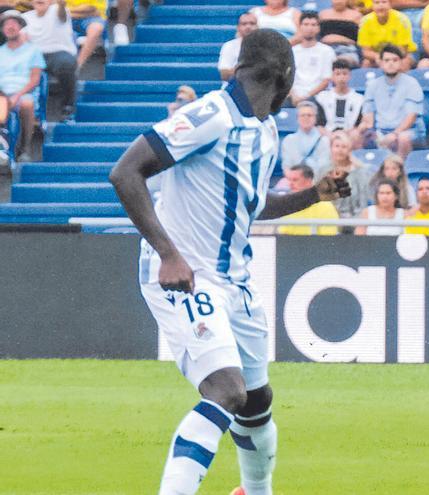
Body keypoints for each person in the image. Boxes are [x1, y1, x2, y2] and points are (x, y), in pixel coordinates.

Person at [108, 29, 351, 495]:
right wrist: (169, 254)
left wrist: (314, 195)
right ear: (284, 75)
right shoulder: (208, 115)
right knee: (226, 390)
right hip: (184, 276)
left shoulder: (265, 129)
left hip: (234, 281)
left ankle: (256, 492)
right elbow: (125, 171)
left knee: (256, 403)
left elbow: (251, 205)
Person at [358, 45, 425, 158]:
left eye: (395, 60)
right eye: (387, 60)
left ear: (401, 62)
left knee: (403, 138)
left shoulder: (411, 84)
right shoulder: (373, 85)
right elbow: (368, 114)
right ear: (381, 63)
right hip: (381, 130)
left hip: (409, 131)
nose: (390, 63)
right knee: (356, 135)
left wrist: (395, 133)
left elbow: (411, 117)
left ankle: (400, 172)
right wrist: (369, 129)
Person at [0, 11, 45, 162]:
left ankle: (25, 148)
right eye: (6, 24)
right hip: (2, 95)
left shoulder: (33, 50)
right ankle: (4, 149)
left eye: (13, 23)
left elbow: (35, 79)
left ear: (20, 26)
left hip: (23, 93)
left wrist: (17, 95)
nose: (10, 27)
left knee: (27, 103)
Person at [22, 0, 77, 119]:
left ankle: (68, 106)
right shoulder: (24, 18)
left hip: (58, 53)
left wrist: (61, 4)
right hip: (34, 55)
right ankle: (33, 112)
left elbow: (61, 11)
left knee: (65, 64)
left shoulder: (59, 10)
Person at [317, 131, 372, 219]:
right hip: (327, 218)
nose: (340, 150)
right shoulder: (323, 171)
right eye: (337, 146)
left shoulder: (359, 172)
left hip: (354, 218)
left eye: (344, 147)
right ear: (331, 148)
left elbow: (363, 201)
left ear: (349, 150)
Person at [276, 165, 341, 235]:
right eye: (289, 180)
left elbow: (328, 239)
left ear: (308, 181)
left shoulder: (325, 206)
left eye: (295, 180)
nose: (290, 184)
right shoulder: (287, 205)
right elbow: (283, 234)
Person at [290, 12, 336, 106]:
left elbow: (326, 80)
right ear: (300, 27)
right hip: (294, 95)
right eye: (306, 24)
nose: (309, 28)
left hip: (319, 96)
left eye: (313, 25)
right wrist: (293, 96)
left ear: (318, 28)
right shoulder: (292, 51)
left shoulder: (327, 51)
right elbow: (287, 79)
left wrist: (306, 96)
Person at [315, 59, 364, 144]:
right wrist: (330, 135)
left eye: (345, 74)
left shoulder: (359, 99)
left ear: (350, 76)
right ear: (332, 76)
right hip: (326, 136)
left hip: (350, 136)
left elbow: (359, 124)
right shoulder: (322, 97)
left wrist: (347, 134)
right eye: (338, 74)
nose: (341, 77)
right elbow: (319, 125)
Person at [357, 0, 417, 68]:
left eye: (384, 2)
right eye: (377, 3)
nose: (380, 5)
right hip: (377, 55)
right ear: (372, 5)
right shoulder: (365, 21)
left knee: (404, 62)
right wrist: (380, 57)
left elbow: (403, 50)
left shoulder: (402, 19)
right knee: (366, 63)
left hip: (402, 54)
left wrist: (388, 59)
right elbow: (366, 51)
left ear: (390, 4)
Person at [280, 100, 331, 172]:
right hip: (294, 180)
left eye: (309, 115)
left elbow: (324, 167)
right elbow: (286, 166)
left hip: (318, 181)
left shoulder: (325, 141)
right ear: (297, 118)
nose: (306, 118)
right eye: (303, 115)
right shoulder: (288, 140)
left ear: (315, 118)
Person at [218, 13, 259, 82]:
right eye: (244, 24)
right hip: (234, 88)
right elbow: (224, 74)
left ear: (258, 27)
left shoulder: (266, 46)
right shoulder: (229, 46)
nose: (248, 27)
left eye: (252, 24)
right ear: (238, 27)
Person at [319, 0, 362, 64]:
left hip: (347, 49)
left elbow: (361, 39)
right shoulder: (323, 14)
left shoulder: (357, 15)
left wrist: (343, 40)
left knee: (342, 62)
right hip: (324, 49)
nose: (338, 1)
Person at [65, 0, 105, 67]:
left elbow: (94, 10)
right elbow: (54, 7)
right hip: (66, 18)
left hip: (91, 18)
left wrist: (67, 12)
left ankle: (77, 66)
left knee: (96, 28)